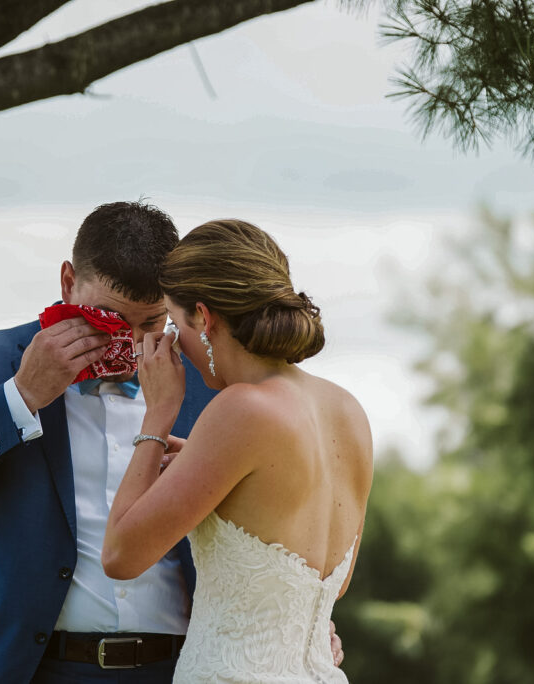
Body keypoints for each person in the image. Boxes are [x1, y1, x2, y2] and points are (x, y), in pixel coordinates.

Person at [0, 201, 219, 682]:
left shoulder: (208, 383)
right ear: (67, 283)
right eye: (109, 320)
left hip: (180, 669)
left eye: (150, 324)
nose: (129, 347)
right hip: (20, 667)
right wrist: (20, 397)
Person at [102, 219, 373, 683]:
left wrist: (158, 416)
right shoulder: (347, 410)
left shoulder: (240, 409)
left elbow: (120, 556)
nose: (172, 342)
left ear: (204, 318)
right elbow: (331, 580)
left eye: (172, 321)